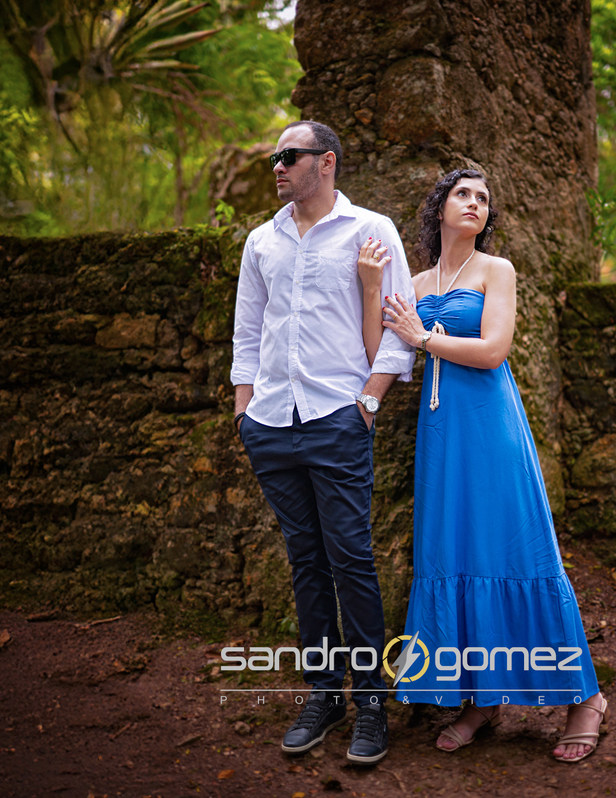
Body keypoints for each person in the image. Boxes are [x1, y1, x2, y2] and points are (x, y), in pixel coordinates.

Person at [358, 169, 608, 763]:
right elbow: (379, 354)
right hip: (442, 435)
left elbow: (494, 351)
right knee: (455, 553)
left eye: (483, 198)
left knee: (518, 552)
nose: (474, 203)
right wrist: (371, 289)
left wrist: (424, 338)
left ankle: (585, 698)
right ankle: (480, 699)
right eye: (462, 194)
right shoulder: (417, 282)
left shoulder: (498, 271)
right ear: (439, 207)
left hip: (492, 425)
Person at [230, 120, 416, 765]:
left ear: (326, 162)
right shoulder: (262, 240)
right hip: (270, 424)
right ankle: (323, 694)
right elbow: (247, 330)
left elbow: (399, 327)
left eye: (290, 156)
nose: (278, 167)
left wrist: (368, 403)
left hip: (337, 418)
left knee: (352, 559)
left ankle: (371, 704)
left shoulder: (372, 230)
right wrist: (244, 412)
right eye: (274, 158)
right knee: (305, 562)